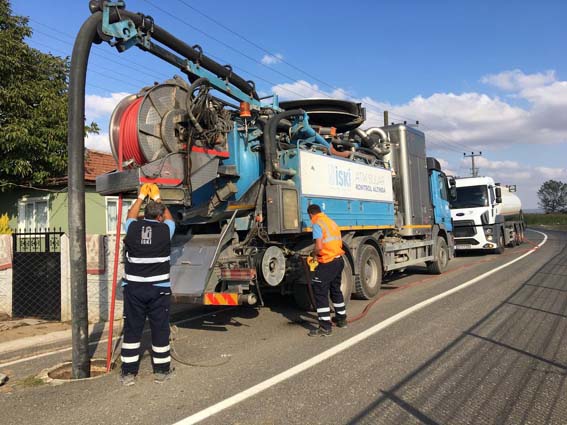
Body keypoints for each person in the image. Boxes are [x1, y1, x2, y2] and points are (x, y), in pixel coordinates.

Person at [119, 183, 176, 385]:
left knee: (132, 329)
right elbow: (170, 219)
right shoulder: (165, 231)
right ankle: (161, 371)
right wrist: (158, 198)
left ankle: (128, 374)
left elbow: (130, 216)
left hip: (134, 290)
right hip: (158, 290)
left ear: (145, 215)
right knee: (160, 328)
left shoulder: (132, 228)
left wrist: (142, 196)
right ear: (159, 217)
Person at [307, 204, 347, 337]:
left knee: (320, 291)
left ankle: (325, 327)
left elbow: (318, 246)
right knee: (335, 289)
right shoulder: (331, 222)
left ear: (311, 214)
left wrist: (313, 254)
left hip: (327, 261)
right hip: (338, 260)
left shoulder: (317, 224)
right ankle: (341, 319)